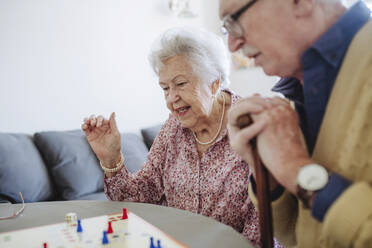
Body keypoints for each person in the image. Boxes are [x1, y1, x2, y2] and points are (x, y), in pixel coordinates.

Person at [81, 27, 282, 247]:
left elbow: (265, 227)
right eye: (165, 88)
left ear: (214, 82)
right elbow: (139, 199)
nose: (171, 98)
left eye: (180, 84)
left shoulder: (250, 125)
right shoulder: (173, 128)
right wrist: (111, 159)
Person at [219, 0, 372, 247]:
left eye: (233, 19)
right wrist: (269, 175)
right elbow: (297, 236)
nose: (232, 44)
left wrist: (296, 170)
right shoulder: (297, 91)